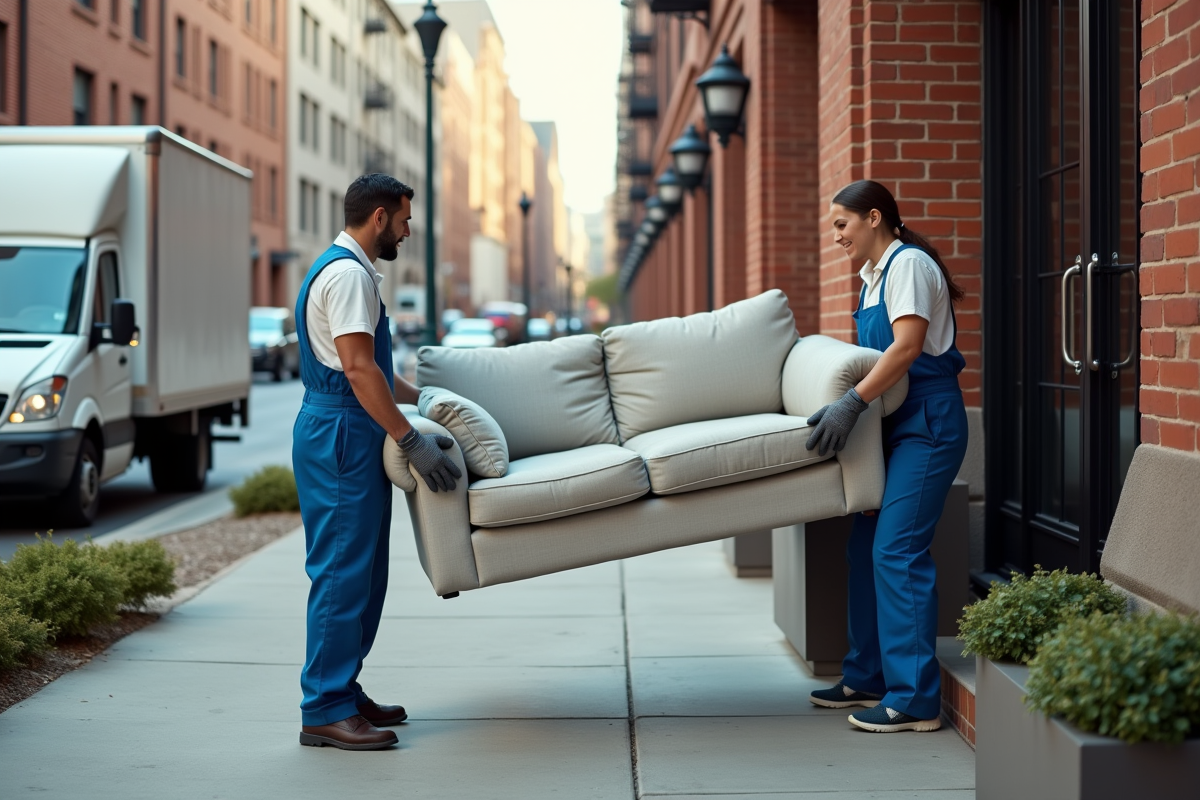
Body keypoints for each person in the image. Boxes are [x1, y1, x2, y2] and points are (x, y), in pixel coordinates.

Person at [293, 174, 461, 751]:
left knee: (363, 570)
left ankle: (343, 686)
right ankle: (324, 707)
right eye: (406, 220)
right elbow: (359, 371)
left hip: (348, 426)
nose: (409, 231)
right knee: (341, 571)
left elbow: (378, 375)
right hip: (341, 431)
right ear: (381, 218)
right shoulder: (347, 277)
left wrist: (428, 400)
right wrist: (409, 438)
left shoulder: (354, 272)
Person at [804, 179, 968, 733]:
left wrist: (851, 402)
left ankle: (915, 699)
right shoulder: (871, 277)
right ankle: (867, 674)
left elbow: (906, 348)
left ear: (874, 217)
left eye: (841, 225)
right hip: (889, 427)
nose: (836, 237)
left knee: (896, 550)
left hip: (928, 424)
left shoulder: (909, 267)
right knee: (864, 546)